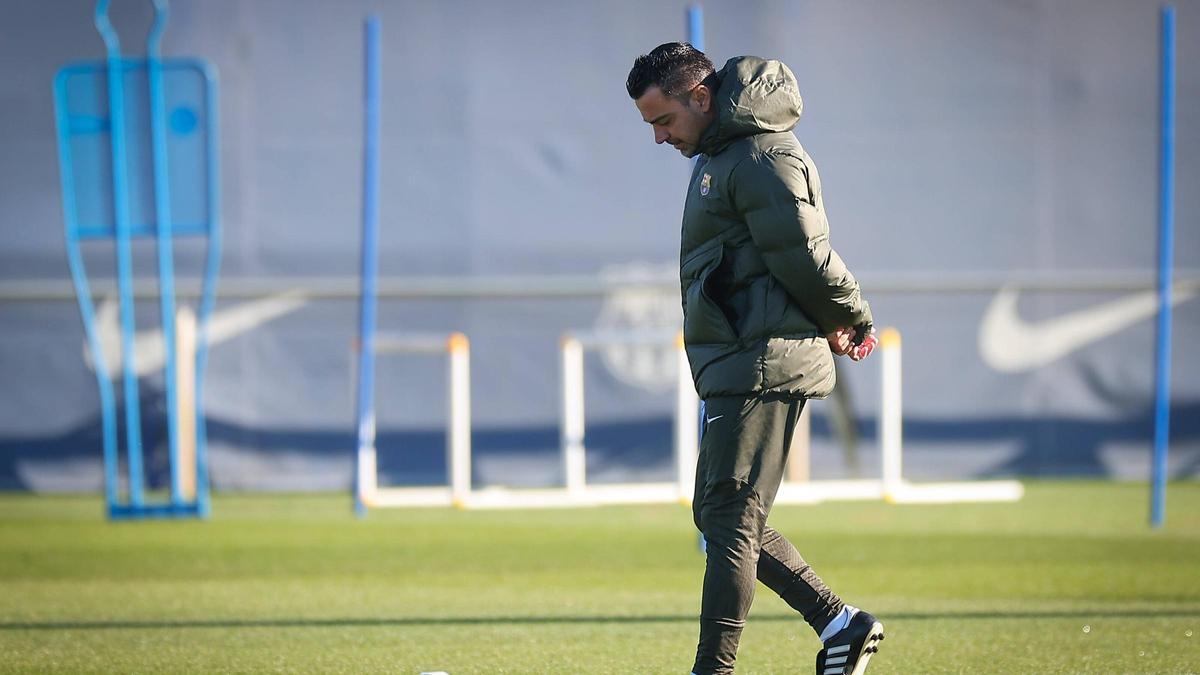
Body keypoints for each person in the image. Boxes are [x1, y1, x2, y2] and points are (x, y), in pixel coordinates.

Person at [626, 43, 884, 675]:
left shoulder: (763, 155)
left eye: (664, 120)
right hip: (742, 357)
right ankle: (839, 624)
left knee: (731, 518)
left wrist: (849, 315)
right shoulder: (724, 155)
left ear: (701, 97)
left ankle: (715, 669)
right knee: (720, 514)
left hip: (763, 359)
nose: (660, 137)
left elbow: (806, 254)